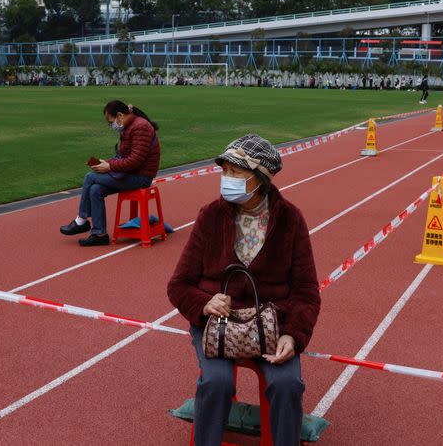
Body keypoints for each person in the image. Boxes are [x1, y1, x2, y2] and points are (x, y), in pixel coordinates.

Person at [167, 134, 321, 446]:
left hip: (271, 325)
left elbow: (306, 292)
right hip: (218, 325)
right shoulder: (211, 215)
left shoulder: (290, 219)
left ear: (261, 178)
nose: (227, 179)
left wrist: (293, 335)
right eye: (225, 171)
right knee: (216, 382)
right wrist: (205, 303)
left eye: (237, 173)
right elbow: (179, 284)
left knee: (287, 384)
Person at [60, 100, 161, 246]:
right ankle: (99, 233)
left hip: (141, 177)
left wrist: (109, 166)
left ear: (120, 115)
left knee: (89, 177)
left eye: (110, 122)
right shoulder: (129, 126)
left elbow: (135, 160)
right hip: (130, 174)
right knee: (95, 190)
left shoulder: (140, 127)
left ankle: (81, 220)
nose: (111, 126)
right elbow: (125, 156)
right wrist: (105, 163)